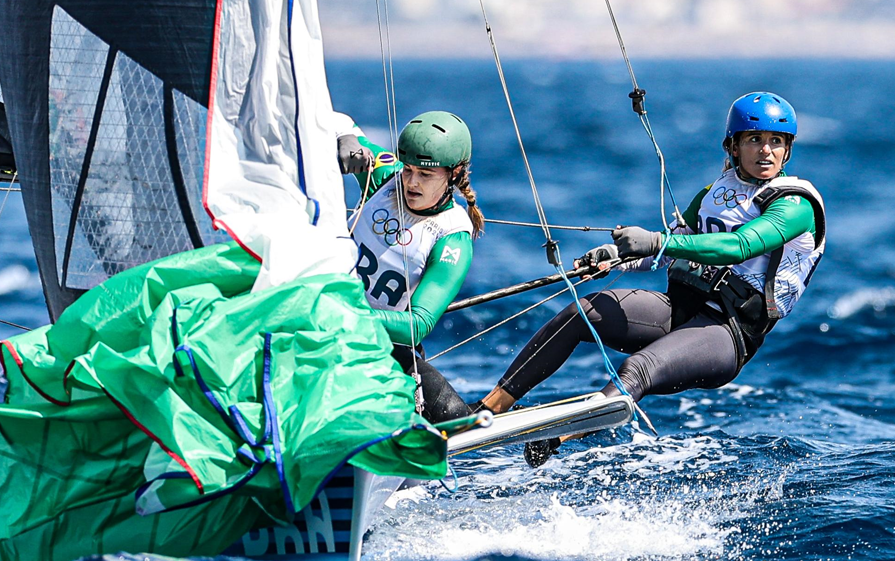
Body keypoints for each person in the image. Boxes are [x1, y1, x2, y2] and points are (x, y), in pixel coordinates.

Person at [470, 92, 826, 466]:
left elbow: (738, 246)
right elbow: (672, 245)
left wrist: (656, 240)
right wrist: (618, 257)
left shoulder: (795, 205)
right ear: (733, 146)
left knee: (637, 368)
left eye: (776, 142)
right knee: (586, 310)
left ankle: (559, 435)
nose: (766, 151)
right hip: (681, 309)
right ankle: (488, 409)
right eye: (754, 140)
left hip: (727, 333)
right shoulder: (715, 193)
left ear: (787, 151)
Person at [336, 111, 485, 424]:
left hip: (383, 346)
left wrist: (348, 317)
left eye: (426, 175)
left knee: (452, 416)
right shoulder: (384, 178)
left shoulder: (452, 240)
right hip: (322, 320)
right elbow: (338, 121)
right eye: (409, 170)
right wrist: (347, 142)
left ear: (454, 174)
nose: (411, 182)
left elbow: (418, 323)